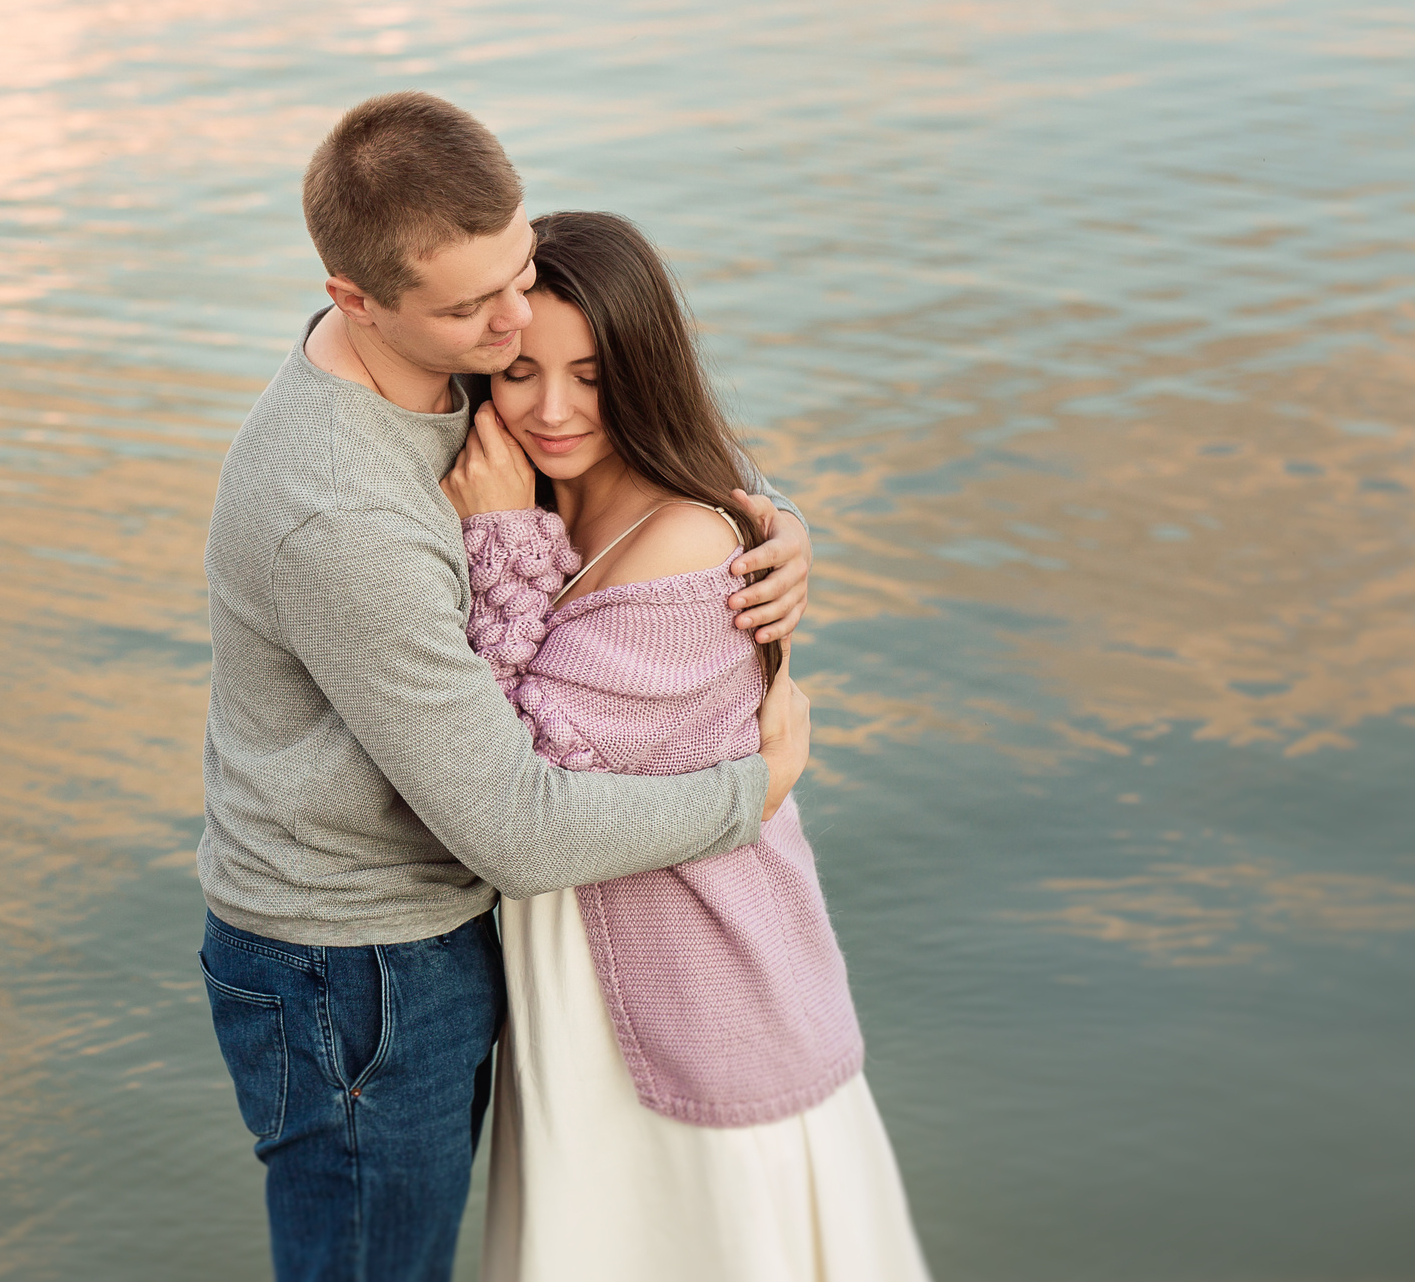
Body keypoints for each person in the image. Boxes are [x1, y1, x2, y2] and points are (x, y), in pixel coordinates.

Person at [196, 94, 817, 1281]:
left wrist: (775, 521)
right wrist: (754, 791)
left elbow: (623, 437)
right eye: (475, 307)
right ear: (355, 300)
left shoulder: (456, 355)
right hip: (353, 964)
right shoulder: (342, 512)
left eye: (519, 271)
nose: (513, 320)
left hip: (434, 927)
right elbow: (517, 829)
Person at [450, 211, 928, 1281]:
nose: (554, 408)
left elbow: (499, 778)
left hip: (701, 1007)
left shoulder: (680, 552)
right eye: (519, 371)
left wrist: (499, 544)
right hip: (586, 1001)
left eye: (592, 371)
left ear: (646, 367)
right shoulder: (544, 503)